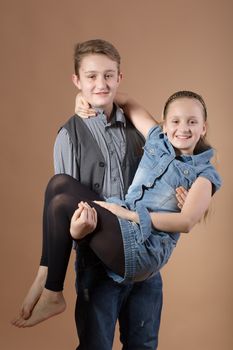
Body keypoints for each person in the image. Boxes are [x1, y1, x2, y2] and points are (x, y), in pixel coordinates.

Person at [12, 90, 221, 333]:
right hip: (121, 227)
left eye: (192, 122)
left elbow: (186, 221)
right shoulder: (155, 139)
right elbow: (127, 100)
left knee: (61, 202)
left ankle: (52, 291)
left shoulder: (204, 175)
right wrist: (84, 97)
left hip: (142, 248)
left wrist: (133, 216)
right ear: (164, 124)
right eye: (175, 121)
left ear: (203, 128)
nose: (183, 128)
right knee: (58, 183)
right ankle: (45, 276)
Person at [11, 39, 166, 350]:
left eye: (109, 75)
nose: (101, 83)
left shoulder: (137, 128)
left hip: (142, 254)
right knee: (59, 187)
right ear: (76, 81)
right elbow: (62, 212)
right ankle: (49, 281)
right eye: (92, 76)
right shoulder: (69, 136)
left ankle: (48, 282)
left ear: (119, 78)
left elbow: (169, 158)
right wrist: (75, 232)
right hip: (98, 262)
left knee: (144, 345)